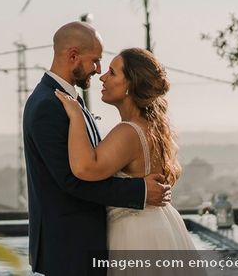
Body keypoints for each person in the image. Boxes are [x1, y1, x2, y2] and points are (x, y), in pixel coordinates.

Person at [23, 22, 172, 276]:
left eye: (108, 69)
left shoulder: (67, 100)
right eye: (96, 61)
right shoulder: (49, 105)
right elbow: (70, 180)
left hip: (87, 247)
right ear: (73, 56)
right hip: (70, 248)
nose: (99, 71)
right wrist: (140, 190)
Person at [54, 47, 196, 273]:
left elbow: (84, 168)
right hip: (162, 227)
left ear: (130, 84)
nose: (102, 77)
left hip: (137, 235)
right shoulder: (152, 128)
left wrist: (76, 116)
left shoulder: (128, 132)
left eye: (111, 72)